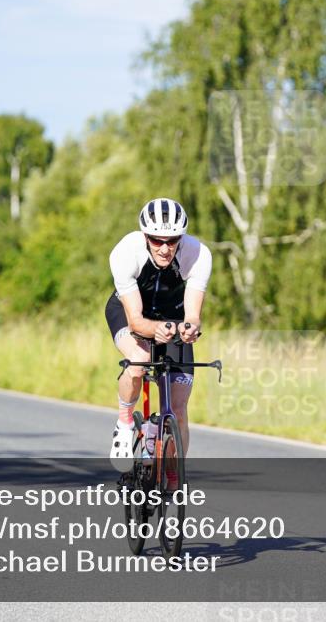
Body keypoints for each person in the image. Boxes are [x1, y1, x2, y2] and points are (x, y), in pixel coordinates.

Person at [105, 198, 212, 472]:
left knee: (178, 407)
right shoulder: (125, 253)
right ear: (145, 236)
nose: (165, 248)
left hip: (173, 317)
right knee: (139, 360)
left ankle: (174, 478)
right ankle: (125, 422)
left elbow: (193, 315)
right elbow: (137, 321)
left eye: (172, 240)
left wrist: (189, 329)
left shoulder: (198, 253)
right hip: (130, 312)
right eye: (156, 241)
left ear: (181, 237)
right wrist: (155, 331)